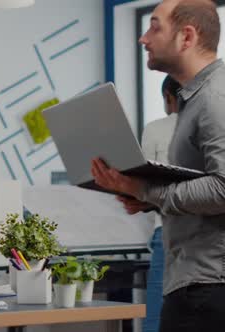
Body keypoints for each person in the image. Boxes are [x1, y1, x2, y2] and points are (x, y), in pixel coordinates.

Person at [91, 0, 225, 331]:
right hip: (195, 282)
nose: (143, 38)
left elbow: (223, 187)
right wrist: (147, 198)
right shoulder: (195, 98)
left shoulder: (214, 98)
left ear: (187, 36)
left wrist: (145, 188)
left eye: (154, 26)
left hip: (209, 287)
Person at [140, 75, 180, 332]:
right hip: (211, 233)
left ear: (168, 96)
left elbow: (143, 185)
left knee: (157, 311)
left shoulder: (155, 129)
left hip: (167, 228)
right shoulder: (213, 126)